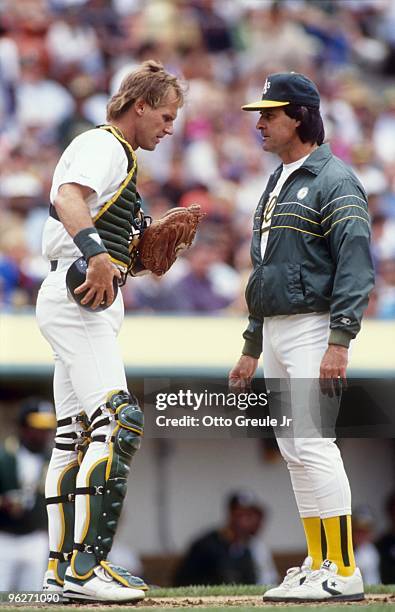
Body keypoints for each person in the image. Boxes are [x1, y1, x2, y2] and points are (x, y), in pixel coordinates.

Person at [36, 60, 184, 603]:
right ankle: (85, 569)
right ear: (139, 106)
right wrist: (99, 253)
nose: (169, 127)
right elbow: (67, 199)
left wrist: (135, 258)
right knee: (118, 420)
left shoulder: (114, 153)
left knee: (73, 437)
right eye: (165, 116)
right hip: (79, 296)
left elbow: (92, 220)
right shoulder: (106, 146)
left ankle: (59, 572)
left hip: (76, 291)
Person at [229, 72, 374, 602]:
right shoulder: (277, 180)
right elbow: (263, 270)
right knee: (293, 449)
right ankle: (317, 560)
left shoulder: (336, 179)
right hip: (278, 329)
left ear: (300, 117)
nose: (260, 123)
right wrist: (251, 344)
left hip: (314, 327)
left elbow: (357, 265)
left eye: (269, 114)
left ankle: (343, 566)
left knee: (314, 444)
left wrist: (340, 340)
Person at [0, 398, 55, 591]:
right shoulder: (5, 456)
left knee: (33, 596)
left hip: (35, 538)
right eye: (37, 427)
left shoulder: (54, 459)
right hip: (4, 538)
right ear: (23, 427)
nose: (44, 434)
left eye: (47, 428)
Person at [174, 490, 276, 586]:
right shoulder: (206, 545)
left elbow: (265, 581)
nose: (251, 521)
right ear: (231, 515)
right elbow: (182, 581)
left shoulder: (253, 547)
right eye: (243, 515)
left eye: (253, 516)